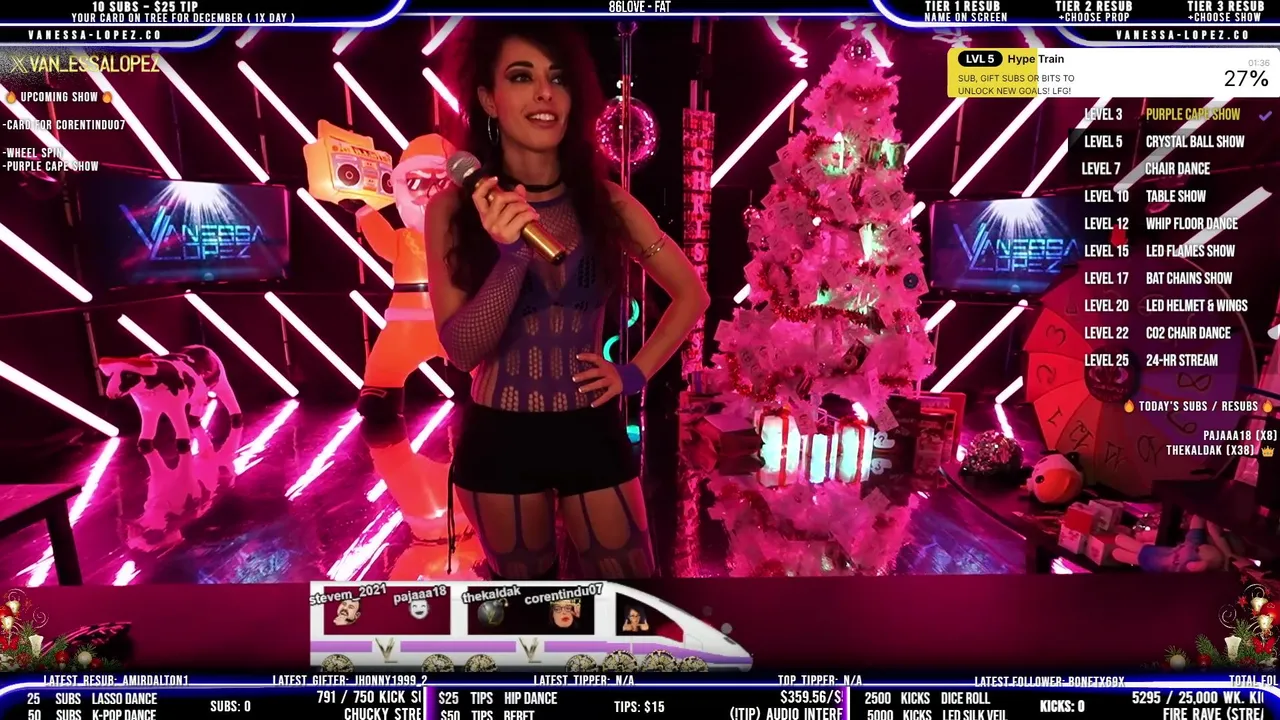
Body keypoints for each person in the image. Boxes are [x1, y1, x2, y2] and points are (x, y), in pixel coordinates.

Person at [427, 21, 709, 581]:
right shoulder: (452, 210)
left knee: (634, 604)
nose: (543, 93)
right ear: (488, 98)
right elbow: (461, 351)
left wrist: (633, 374)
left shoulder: (607, 202)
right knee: (528, 611)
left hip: (590, 427)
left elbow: (691, 294)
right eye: (521, 76)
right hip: (499, 434)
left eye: (557, 78)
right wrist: (512, 256)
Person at [350, 134, 454, 423]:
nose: (430, 192)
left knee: (490, 369)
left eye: (442, 182)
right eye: (418, 182)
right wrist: (363, 210)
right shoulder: (403, 239)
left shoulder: (466, 237)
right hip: (406, 323)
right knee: (384, 370)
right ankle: (381, 391)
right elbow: (383, 242)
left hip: (458, 319)